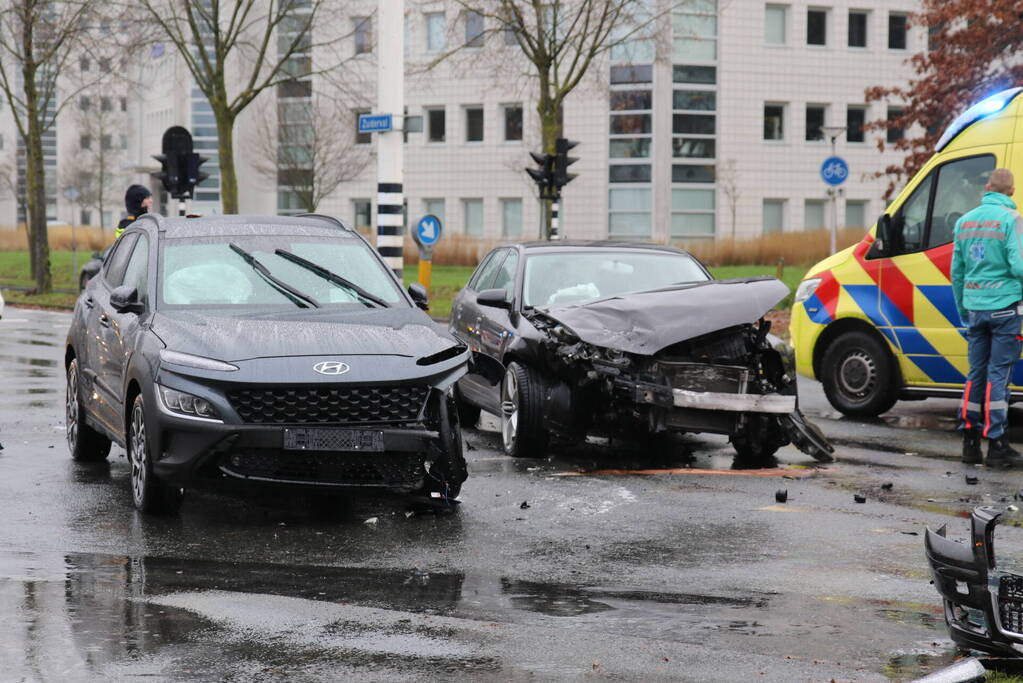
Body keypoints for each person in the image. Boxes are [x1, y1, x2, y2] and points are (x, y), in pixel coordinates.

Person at [952, 168, 1023, 465]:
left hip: (975, 309)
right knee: (999, 375)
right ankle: (996, 444)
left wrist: (963, 309)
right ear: (1012, 193)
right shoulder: (1012, 220)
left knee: (976, 373)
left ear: (987, 187)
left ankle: (970, 441)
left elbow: (957, 272)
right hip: (1006, 309)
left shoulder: (964, 222)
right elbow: (1019, 267)